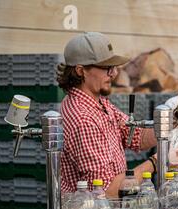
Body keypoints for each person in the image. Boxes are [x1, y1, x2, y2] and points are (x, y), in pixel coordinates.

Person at [57, 32, 157, 198]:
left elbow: (137, 137)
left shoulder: (99, 103)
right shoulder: (83, 118)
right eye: (106, 68)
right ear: (81, 70)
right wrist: (155, 163)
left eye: (114, 67)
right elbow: (105, 192)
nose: (114, 73)